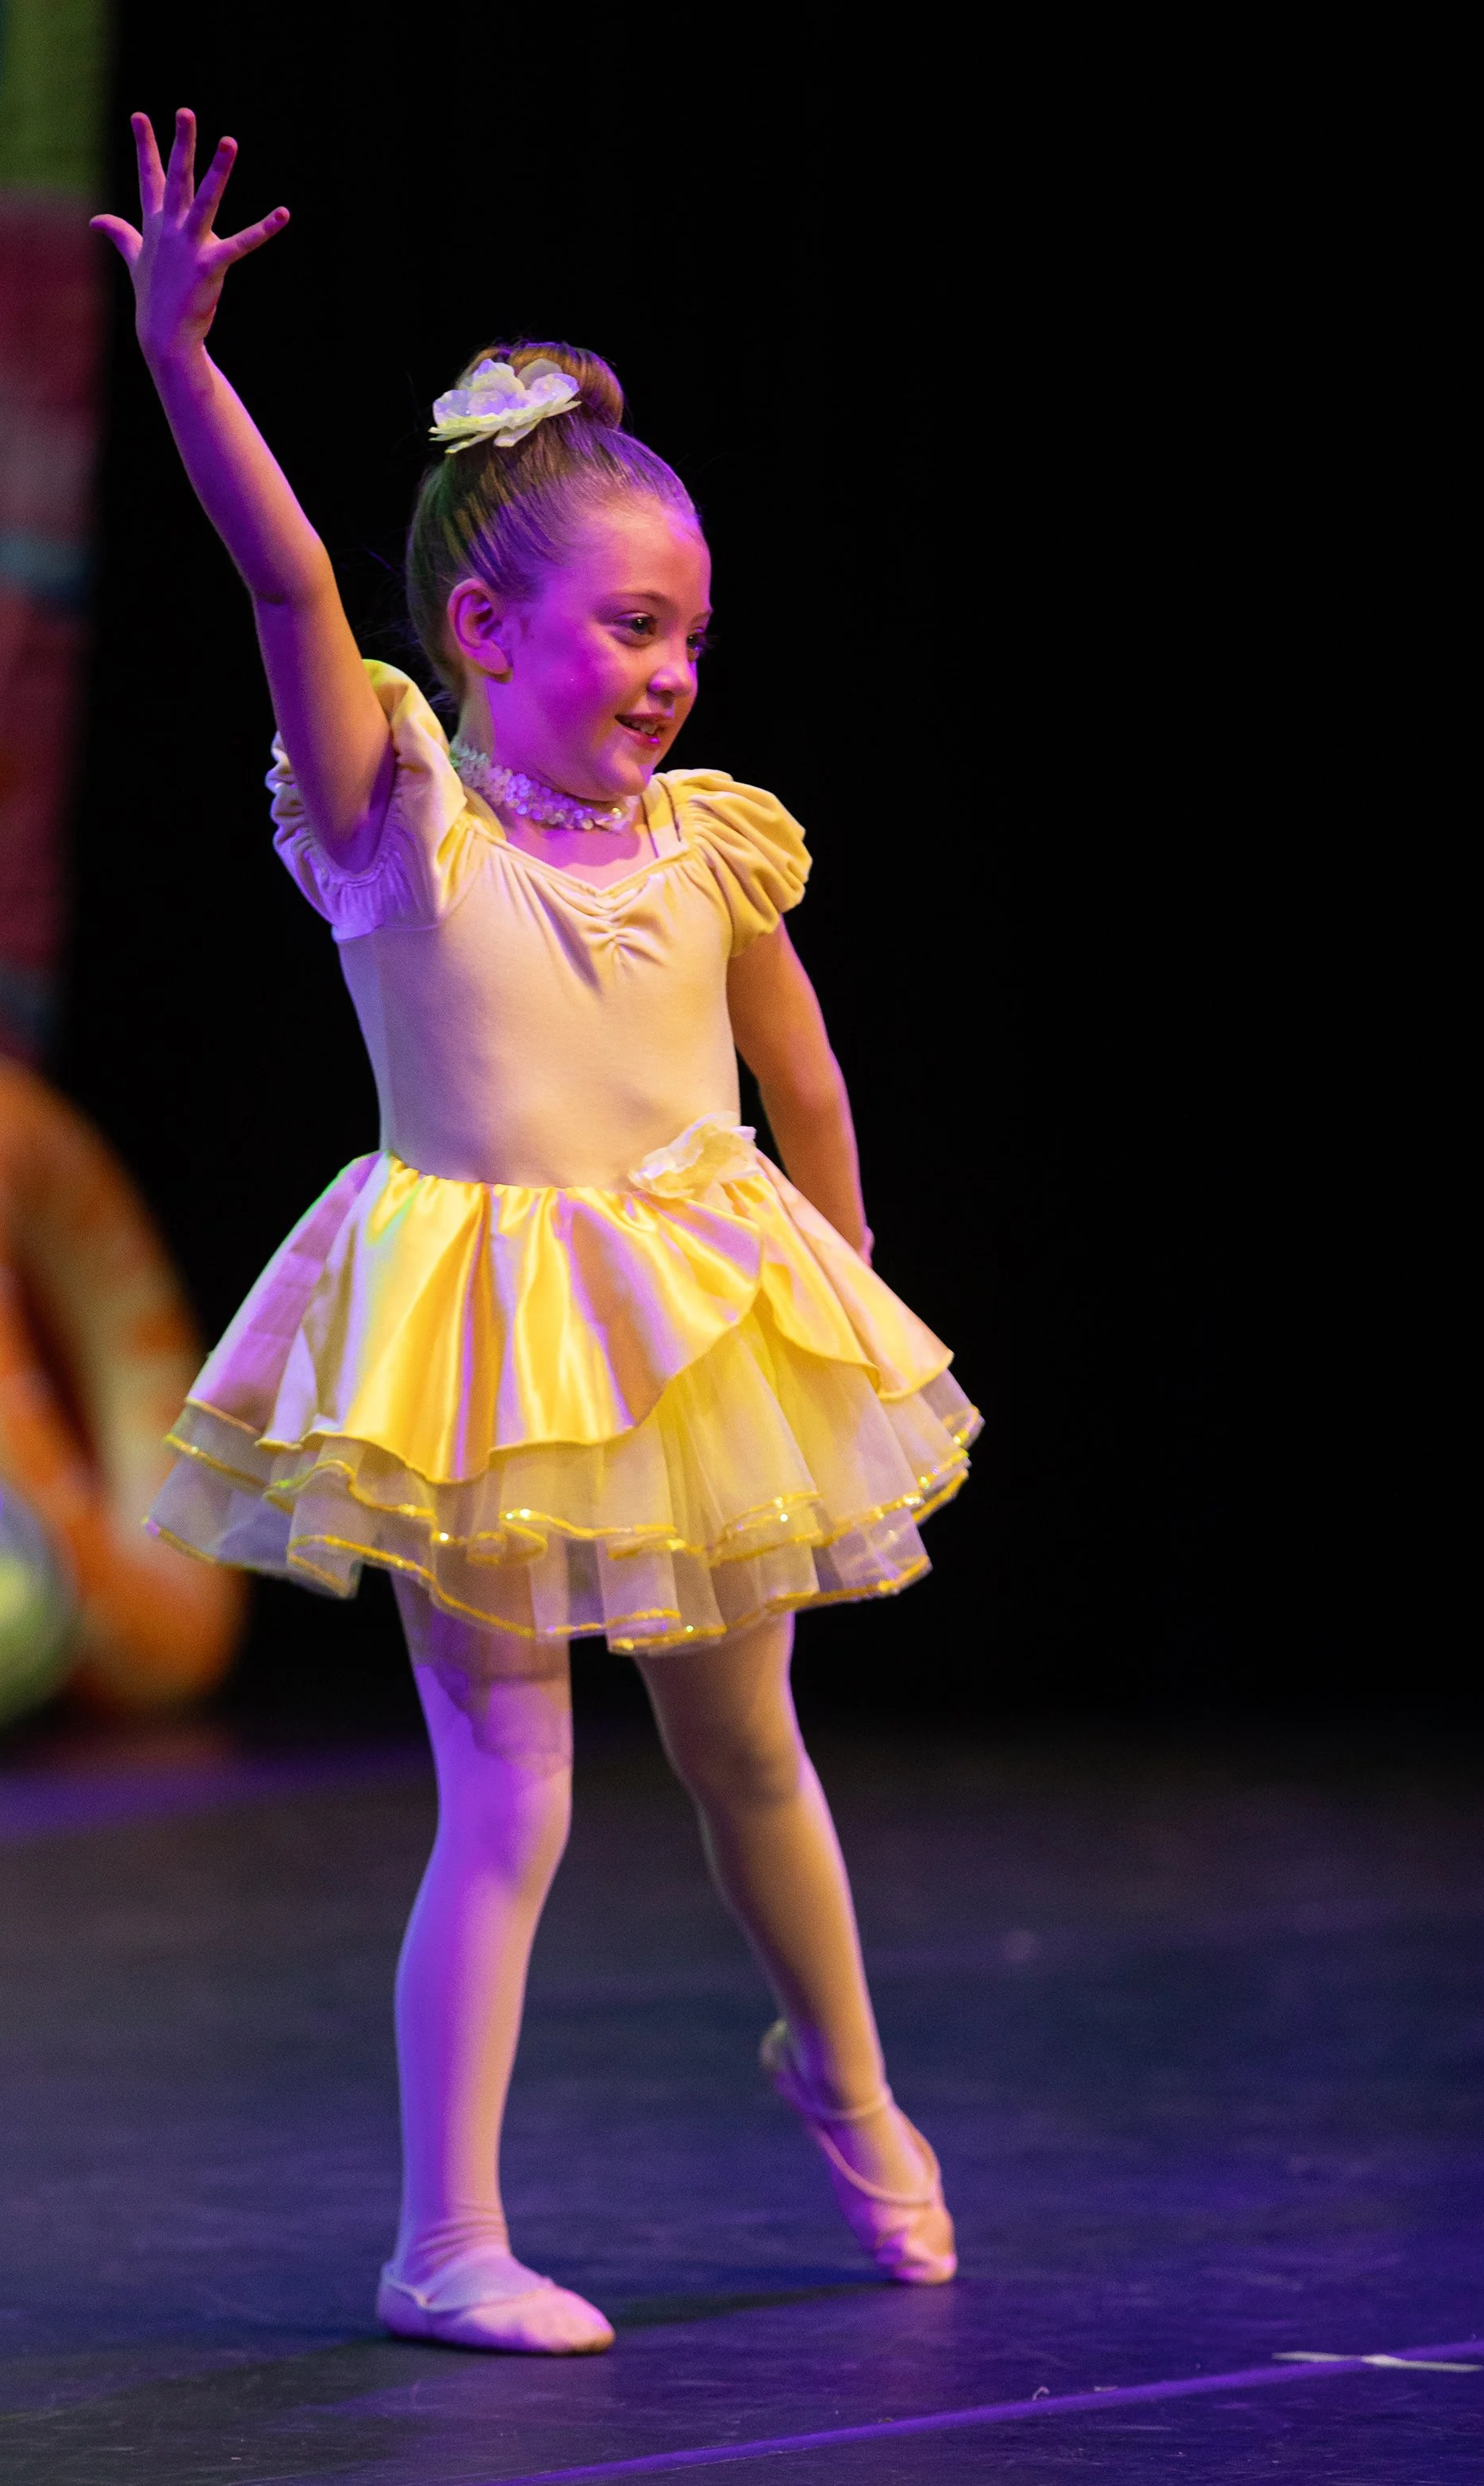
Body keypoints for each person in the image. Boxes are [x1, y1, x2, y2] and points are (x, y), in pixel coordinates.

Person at [95, 111, 981, 2358]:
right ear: (489, 629)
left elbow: (805, 1079)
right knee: (510, 1785)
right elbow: (292, 586)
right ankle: (444, 2239)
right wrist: (186, 356)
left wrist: (847, 1306)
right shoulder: (397, 806)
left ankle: (852, 2084)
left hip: (697, 1329)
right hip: (483, 1333)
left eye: (694, 627)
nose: (675, 667)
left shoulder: (708, 843)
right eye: (634, 624)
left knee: (748, 1746)